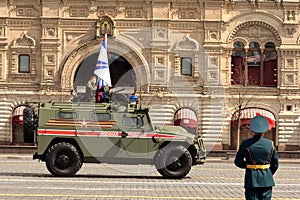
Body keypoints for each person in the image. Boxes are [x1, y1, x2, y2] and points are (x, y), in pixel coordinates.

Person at [234, 115, 279, 200]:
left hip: (251, 179)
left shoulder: (245, 143)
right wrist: (267, 173)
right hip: (267, 180)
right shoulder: (270, 144)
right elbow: (275, 164)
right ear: (265, 130)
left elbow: (238, 162)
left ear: (252, 130)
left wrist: (249, 166)